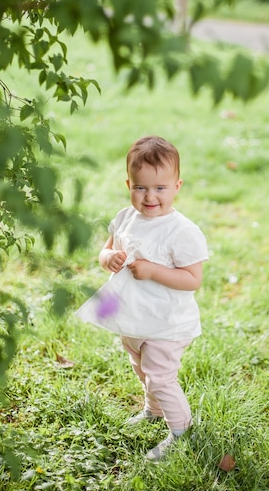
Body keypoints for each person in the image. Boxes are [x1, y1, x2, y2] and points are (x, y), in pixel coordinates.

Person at [75, 135, 208, 461]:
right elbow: (106, 249)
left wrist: (153, 270)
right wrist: (108, 259)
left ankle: (182, 430)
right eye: (140, 188)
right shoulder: (124, 217)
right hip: (133, 316)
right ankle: (154, 410)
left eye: (160, 188)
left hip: (166, 323)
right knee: (140, 367)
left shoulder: (181, 231)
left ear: (177, 186)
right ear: (129, 184)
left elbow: (193, 280)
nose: (150, 196)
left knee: (161, 376)